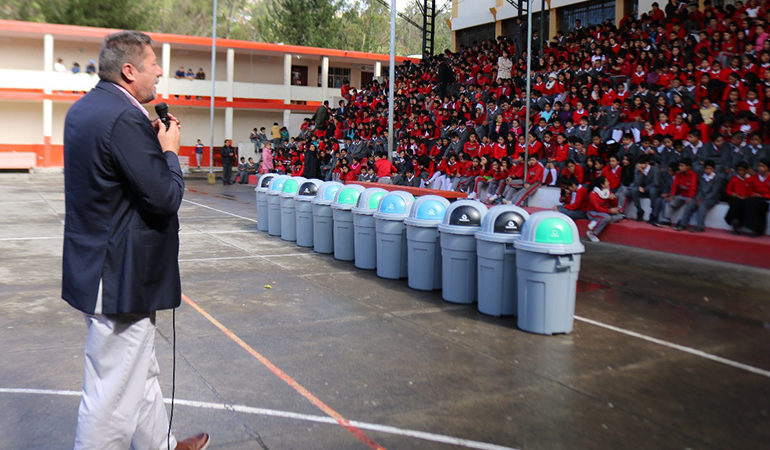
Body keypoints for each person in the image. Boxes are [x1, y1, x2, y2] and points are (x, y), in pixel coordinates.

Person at [62, 30, 208, 450]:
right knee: (111, 393)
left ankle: (159, 445)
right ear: (129, 71)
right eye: (152, 64)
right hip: (120, 275)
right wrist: (170, 151)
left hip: (98, 266)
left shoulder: (85, 109)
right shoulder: (124, 118)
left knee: (140, 373)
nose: (160, 71)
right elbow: (164, 197)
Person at [677, 160, 723, 232]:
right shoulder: (701, 177)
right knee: (690, 204)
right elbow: (699, 189)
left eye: (710, 168)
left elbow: (714, 192)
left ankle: (700, 226)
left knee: (702, 206)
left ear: (713, 169)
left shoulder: (717, 178)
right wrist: (698, 198)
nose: (708, 170)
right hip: (700, 197)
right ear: (704, 169)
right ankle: (683, 224)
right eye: (706, 168)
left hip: (711, 198)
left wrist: (703, 199)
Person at [586, 176, 624, 242]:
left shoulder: (607, 192)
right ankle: (592, 233)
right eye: (606, 181)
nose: (608, 183)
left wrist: (613, 199)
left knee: (620, 216)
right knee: (606, 217)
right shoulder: (593, 194)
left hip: (604, 212)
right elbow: (597, 208)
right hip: (593, 212)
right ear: (602, 185)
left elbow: (614, 205)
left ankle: (595, 222)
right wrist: (610, 211)